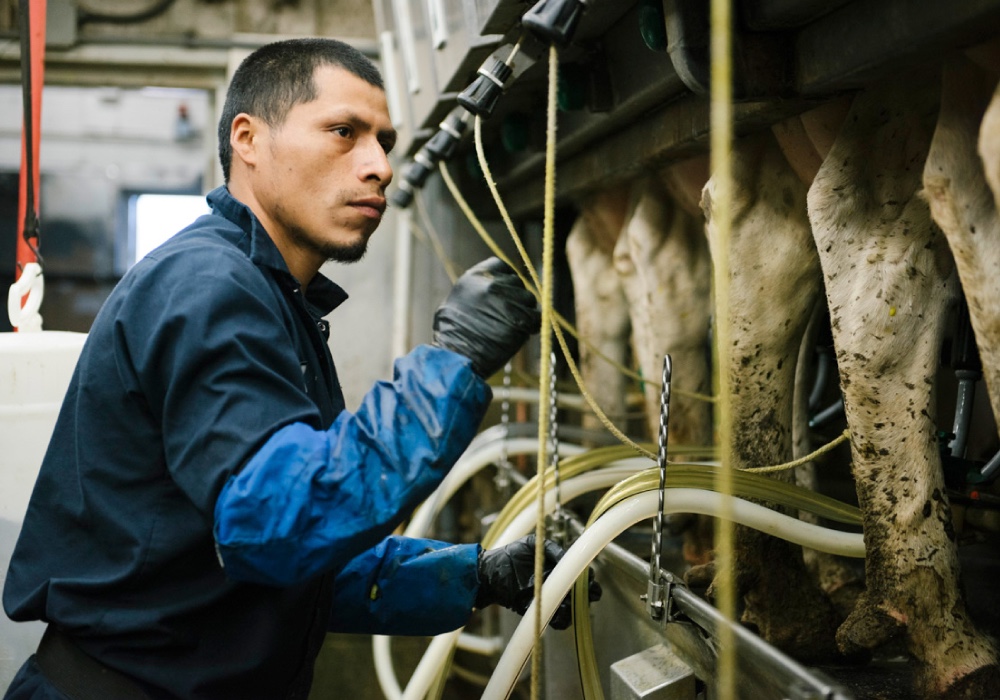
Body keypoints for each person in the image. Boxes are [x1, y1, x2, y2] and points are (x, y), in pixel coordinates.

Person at [2, 38, 598, 700]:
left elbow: (270, 572)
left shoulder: (267, 296)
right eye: (344, 132)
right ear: (248, 139)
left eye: (385, 142)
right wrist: (455, 357)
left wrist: (475, 578)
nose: (379, 167)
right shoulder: (208, 288)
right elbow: (276, 529)